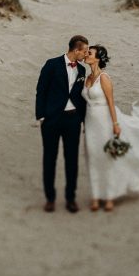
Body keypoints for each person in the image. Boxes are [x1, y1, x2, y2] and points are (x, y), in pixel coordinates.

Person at [82, 45, 139, 212]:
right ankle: (96, 196)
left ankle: (110, 196)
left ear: (97, 58)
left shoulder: (104, 78)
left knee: (108, 156)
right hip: (90, 121)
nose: (86, 54)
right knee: (93, 157)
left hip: (104, 118)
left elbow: (111, 102)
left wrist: (115, 124)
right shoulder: (87, 78)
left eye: (89, 53)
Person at [35, 35, 89, 213]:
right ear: (76, 50)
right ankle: (50, 198)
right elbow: (41, 90)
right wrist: (41, 116)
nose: (86, 54)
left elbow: (81, 97)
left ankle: (70, 198)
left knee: (72, 160)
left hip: (73, 120)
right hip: (52, 119)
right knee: (49, 158)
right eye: (85, 51)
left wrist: (81, 118)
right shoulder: (52, 64)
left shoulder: (82, 70)